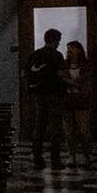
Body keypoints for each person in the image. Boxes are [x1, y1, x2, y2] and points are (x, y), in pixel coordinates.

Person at [25, 27, 68, 169]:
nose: (59, 44)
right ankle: (55, 160)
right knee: (56, 127)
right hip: (54, 94)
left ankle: (37, 158)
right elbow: (62, 74)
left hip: (39, 94)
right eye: (58, 41)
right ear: (55, 40)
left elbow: (24, 72)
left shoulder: (35, 54)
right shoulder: (57, 55)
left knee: (39, 126)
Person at [63, 40, 95, 167]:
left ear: (79, 50)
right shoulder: (65, 66)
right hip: (68, 101)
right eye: (69, 49)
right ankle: (72, 155)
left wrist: (72, 82)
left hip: (82, 101)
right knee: (69, 130)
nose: (70, 52)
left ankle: (87, 155)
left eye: (73, 49)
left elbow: (86, 83)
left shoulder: (86, 67)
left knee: (83, 129)